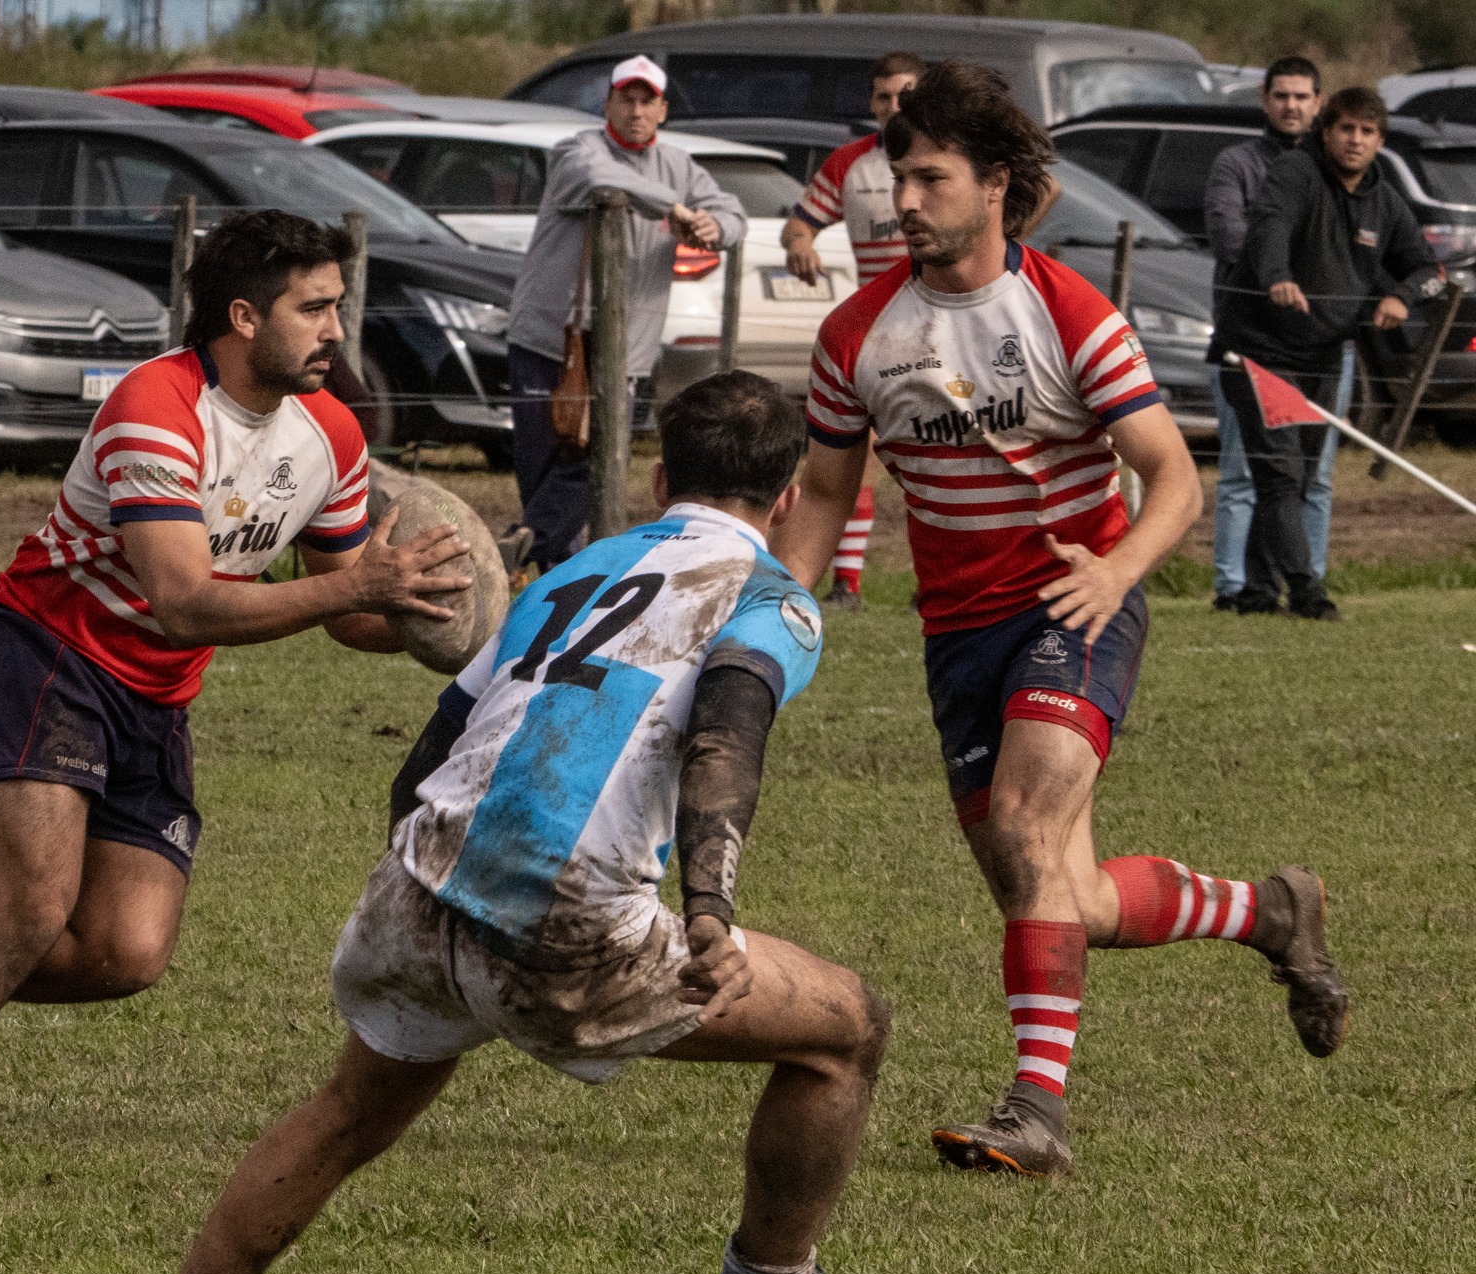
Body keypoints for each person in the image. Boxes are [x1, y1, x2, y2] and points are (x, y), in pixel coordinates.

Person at [95, 371, 920, 1274]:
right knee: (847, 1030)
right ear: (787, 497)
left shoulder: (569, 575)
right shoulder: (769, 598)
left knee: (348, 1109)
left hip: (420, 881)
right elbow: (727, 733)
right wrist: (706, 908)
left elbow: (436, 744)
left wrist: (426, 881)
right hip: (563, 926)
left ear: (659, 475)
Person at [0, 210, 475, 1198]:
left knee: (123, 954)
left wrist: (433, 622)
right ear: (243, 317)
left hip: (155, 695)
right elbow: (184, 599)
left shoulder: (329, 431)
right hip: (49, 657)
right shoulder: (154, 408)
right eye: (314, 308)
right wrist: (358, 588)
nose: (337, 329)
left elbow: (343, 604)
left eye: (339, 306)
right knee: (29, 912)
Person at [776, 61, 1347, 1177]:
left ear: (994, 184)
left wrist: (1116, 569)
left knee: (1033, 830)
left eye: (929, 178)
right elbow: (831, 495)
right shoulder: (855, 335)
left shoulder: (1066, 313)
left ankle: (1034, 1112)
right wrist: (770, 616)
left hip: (1070, 604)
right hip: (955, 635)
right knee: (1058, 895)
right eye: (896, 177)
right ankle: (1267, 912)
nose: (901, 201)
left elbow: (1170, 478)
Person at [503, 55, 746, 575]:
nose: (635, 110)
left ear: (662, 109)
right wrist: (673, 208)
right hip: (550, 339)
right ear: (608, 104)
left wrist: (710, 227)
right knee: (544, 464)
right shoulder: (577, 150)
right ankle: (551, 565)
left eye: (646, 101)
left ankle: (527, 552)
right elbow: (601, 180)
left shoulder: (680, 166)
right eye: (625, 99)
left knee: (596, 463)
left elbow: (733, 213)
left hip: (624, 349)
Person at [1215, 86, 1442, 621]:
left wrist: (1400, 297)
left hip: (1324, 354)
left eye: (1367, 131)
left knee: (1302, 474)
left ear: (1380, 140)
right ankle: (1308, 592)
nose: (1355, 140)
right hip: (1258, 351)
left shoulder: (1386, 202)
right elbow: (1268, 229)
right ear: (1326, 132)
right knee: (1280, 474)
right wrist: (1277, 278)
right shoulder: (1296, 174)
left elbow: (1428, 269)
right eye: (1345, 129)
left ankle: (1257, 593)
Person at [782, 50, 924, 611]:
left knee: (938, 457)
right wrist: (801, 245)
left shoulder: (948, 157)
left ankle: (937, 582)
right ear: (871, 102)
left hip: (946, 323)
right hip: (881, 329)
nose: (893, 107)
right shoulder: (850, 164)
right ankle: (848, 585)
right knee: (856, 451)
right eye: (884, 97)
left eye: (906, 96)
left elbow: (1040, 194)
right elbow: (799, 224)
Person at [1204, 57, 1331, 612]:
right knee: (1242, 472)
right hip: (1248, 339)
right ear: (1264, 99)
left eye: (1302, 97)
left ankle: (1283, 579)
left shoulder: (1331, 170)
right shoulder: (1236, 164)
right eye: (1282, 95)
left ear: (1317, 103)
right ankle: (1235, 585)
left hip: (1314, 341)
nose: (1292, 106)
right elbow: (1232, 239)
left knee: (1307, 475)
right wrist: (1290, 268)